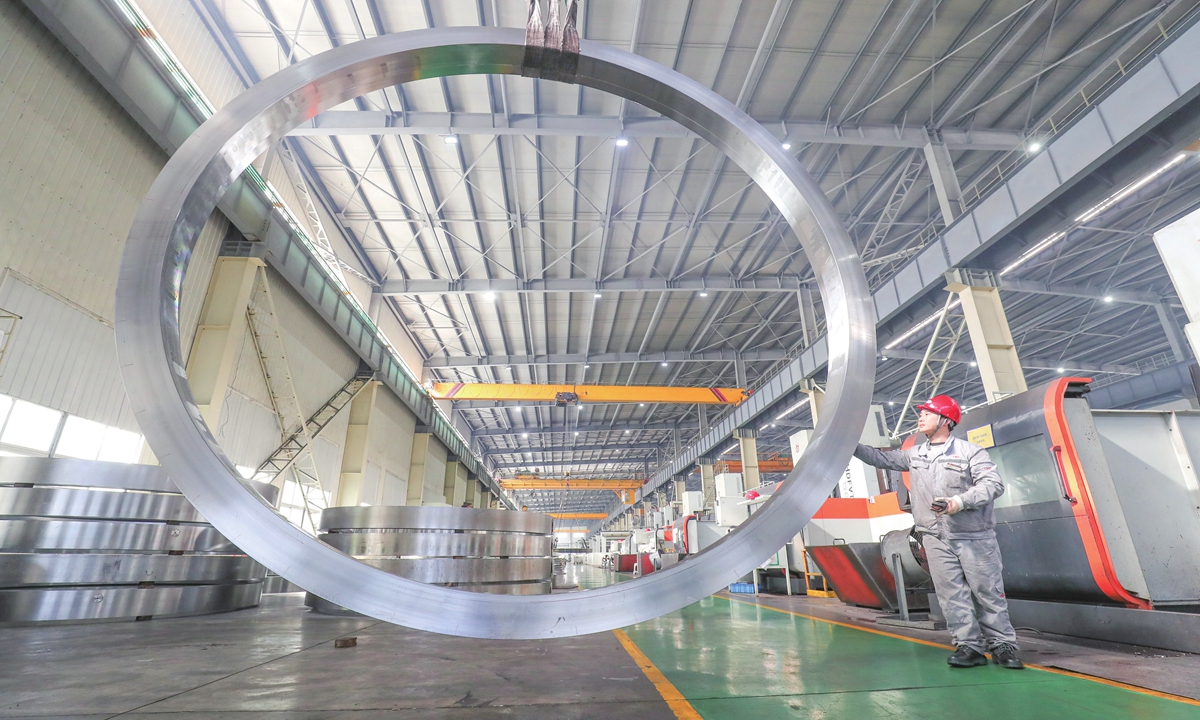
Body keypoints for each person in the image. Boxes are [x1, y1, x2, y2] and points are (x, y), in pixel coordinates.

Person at [854, 394, 1023, 669]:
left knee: (987, 591)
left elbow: (993, 484)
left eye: (927, 413)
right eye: (921, 413)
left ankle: (1003, 645)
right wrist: (849, 444)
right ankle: (969, 646)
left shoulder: (970, 452)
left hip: (974, 536)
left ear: (946, 420)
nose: (920, 417)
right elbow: (879, 458)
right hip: (935, 537)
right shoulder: (914, 455)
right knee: (951, 595)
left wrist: (959, 502)